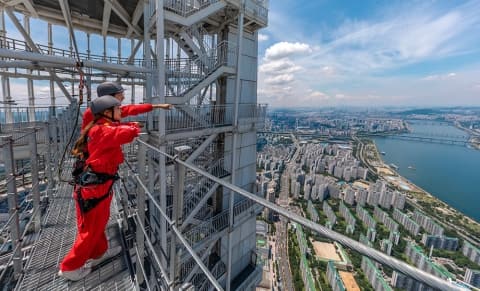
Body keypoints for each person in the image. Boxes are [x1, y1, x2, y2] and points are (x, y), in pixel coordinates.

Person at [58, 95, 142, 281]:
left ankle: (99, 253)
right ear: (107, 112)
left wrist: (128, 125)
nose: (122, 111)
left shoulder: (101, 126)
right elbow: (123, 134)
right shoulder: (100, 130)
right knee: (90, 230)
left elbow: (115, 130)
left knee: (97, 224)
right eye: (118, 109)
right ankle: (70, 267)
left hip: (98, 186)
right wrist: (134, 127)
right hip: (95, 189)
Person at [81, 81, 173, 129]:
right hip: (97, 160)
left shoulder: (106, 110)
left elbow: (131, 109)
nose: (123, 98)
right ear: (109, 97)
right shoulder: (92, 113)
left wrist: (158, 106)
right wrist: (132, 125)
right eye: (120, 95)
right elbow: (109, 132)